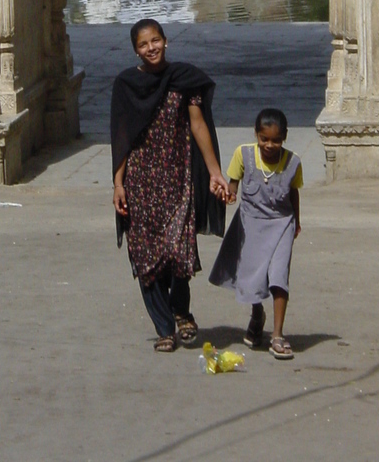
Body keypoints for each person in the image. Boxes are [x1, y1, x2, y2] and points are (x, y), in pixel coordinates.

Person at [111, 18, 229, 352]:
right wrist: (118, 184)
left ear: (165, 40)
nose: (151, 48)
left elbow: (198, 125)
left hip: (178, 180)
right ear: (136, 49)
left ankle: (181, 312)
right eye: (143, 44)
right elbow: (120, 136)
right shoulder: (126, 85)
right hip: (140, 183)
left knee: (179, 253)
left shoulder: (183, 79)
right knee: (146, 258)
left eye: (156, 41)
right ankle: (164, 328)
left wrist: (215, 171)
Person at [208, 106, 302, 360]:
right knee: (254, 277)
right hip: (251, 224)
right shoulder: (243, 155)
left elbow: (294, 192)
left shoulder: (294, 162)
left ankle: (278, 335)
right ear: (256, 135)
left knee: (279, 276)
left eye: (276, 140)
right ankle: (257, 314)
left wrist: (297, 222)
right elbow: (233, 185)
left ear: (284, 138)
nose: (270, 145)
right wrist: (229, 194)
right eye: (264, 139)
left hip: (282, 223)